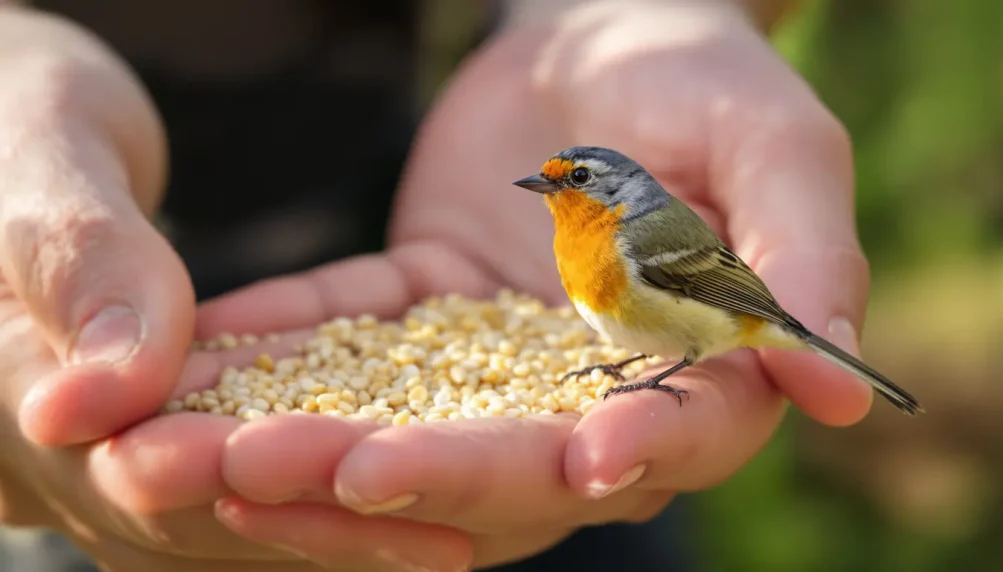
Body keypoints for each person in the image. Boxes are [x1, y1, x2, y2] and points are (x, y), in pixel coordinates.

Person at [0, 0, 877, 570]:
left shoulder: (640, 241)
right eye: (551, 178)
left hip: (382, 179)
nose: (550, 190)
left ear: (603, 193)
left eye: (568, 179)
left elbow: (718, 306)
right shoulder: (582, 244)